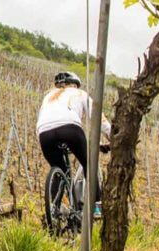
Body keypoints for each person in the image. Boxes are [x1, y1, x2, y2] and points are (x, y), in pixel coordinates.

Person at [36, 71, 110, 217]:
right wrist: (112, 136)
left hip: (44, 133)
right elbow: (97, 117)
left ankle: (53, 209)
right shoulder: (79, 93)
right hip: (70, 128)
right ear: (74, 84)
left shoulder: (48, 97)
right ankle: (96, 208)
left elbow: (41, 121)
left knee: (58, 169)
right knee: (89, 164)